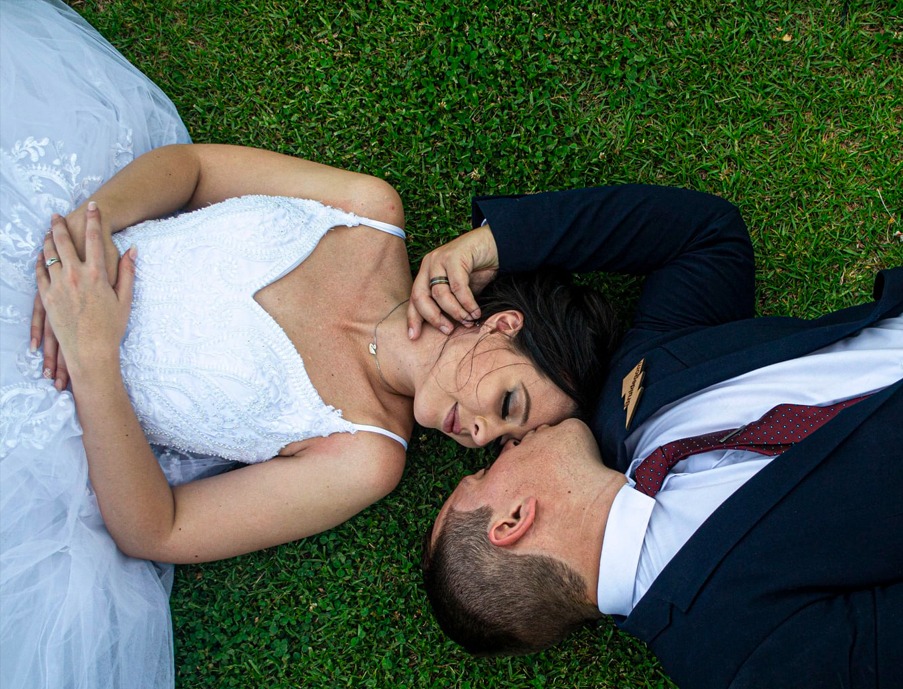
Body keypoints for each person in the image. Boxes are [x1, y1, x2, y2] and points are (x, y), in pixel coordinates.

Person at [0, 3, 618, 688]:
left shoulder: (364, 456)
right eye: (508, 401)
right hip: (45, 234)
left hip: (37, 406)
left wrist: (92, 358)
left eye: (500, 436)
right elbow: (194, 169)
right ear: (501, 324)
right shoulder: (367, 211)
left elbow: (159, 530)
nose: (476, 435)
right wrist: (85, 236)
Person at [416, 184, 903, 689]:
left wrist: (495, 244)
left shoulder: (633, 400)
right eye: (484, 470)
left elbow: (705, 237)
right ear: (514, 521)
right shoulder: (741, 654)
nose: (503, 444)